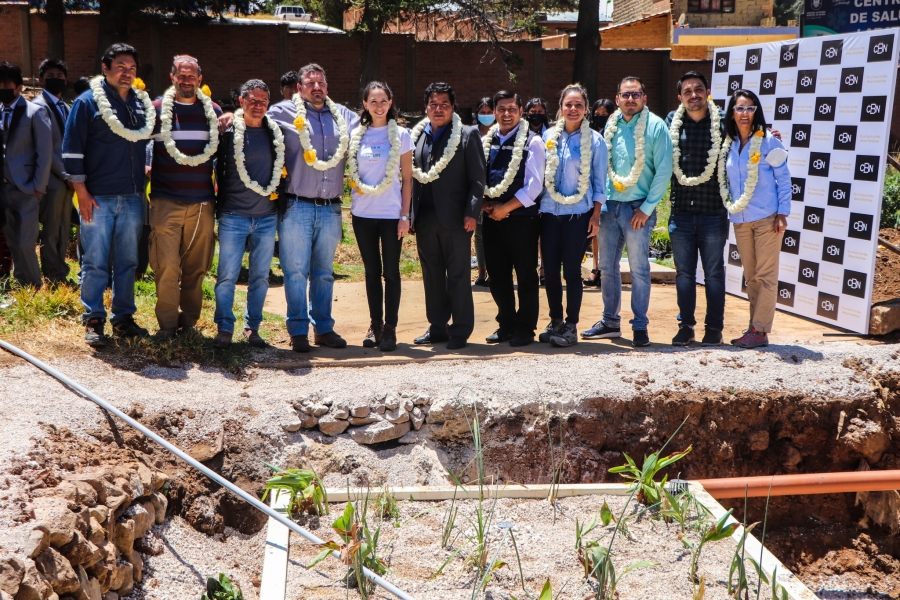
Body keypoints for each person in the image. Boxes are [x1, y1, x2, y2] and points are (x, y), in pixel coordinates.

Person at [64, 43, 152, 346]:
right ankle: (94, 318)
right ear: (105, 68)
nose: (126, 73)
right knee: (95, 260)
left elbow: (149, 140)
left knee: (128, 261)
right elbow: (72, 150)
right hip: (97, 197)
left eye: (132, 68)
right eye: (120, 66)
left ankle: (123, 317)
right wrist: (82, 193)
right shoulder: (87, 103)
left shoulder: (141, 104)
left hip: (131, 195)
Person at [267, 63, 359, 352]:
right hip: (297, 206)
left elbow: (374, 123)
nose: (316, 87)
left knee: (323, 272)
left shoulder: (344, 117)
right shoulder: (283, 113)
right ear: (300, 87)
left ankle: (323, 329)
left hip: (331, 208)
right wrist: (229, 115)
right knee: (295, 272)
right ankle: (297, 331)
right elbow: (252, 120)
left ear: (327, 87)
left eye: (321, 82)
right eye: (310, 83)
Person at [581, 76, 673, 348]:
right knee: (607, 268)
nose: (630, 99)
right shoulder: (612, 123)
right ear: (617, 98)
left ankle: (640, 326)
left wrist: (646, 210)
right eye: (625, 95)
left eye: (636, 94)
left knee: (639, 270)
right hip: (610, 207)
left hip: (638, 209)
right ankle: (610, 322)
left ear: (644, 98)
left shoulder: (655, 127)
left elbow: (663, 171)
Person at [148, 55, 222, 339]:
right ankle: (167, 326)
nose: (187, 80)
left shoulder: (211, 111)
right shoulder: (157, 111)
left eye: (192, 75)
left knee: (196, 267)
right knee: (166, 266)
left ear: (199, 79)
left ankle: (189, 324)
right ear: (172, 77)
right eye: (182, 75)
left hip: (202, 202)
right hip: (166, 201)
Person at [410, 82, 486, 350]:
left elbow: (478, 180)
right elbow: (412, 179)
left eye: (444, 104)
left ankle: (461, 330)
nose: (438, 109)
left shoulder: (467, 135)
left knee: (458, 275)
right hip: (425, 219)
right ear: (426, 107)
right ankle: (437, 327)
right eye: (433, 104)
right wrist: (410, 216)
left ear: (453, 108)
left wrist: (472, 213)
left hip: (456, 219)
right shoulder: (417, 135)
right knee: (431, 275)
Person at [213, 79, 285, 348]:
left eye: (263, 101)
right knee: (227, 276)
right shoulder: (229, 130)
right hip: (233, 216)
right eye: (252, 100)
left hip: (266, 217)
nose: (258, 105)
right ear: (241, 102)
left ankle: (252, 328)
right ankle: (224, 327)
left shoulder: (273, 132)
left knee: (260, 277)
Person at [721, 89, 791, 349]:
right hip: (740, 219)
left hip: (766, 218)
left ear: (756, 111)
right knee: (751, 277)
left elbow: (783, 177)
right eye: (740, 108)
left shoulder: (769, 140)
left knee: (766, 275)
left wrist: (783, 213)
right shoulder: (728, 144)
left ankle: (760, 330)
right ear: (732, 112)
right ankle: (755, 328)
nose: (745, 113)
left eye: (750, 108)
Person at [538, 84, 606, 348]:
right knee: (550, 271)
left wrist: (596, 215)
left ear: (586, 109)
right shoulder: (548, 137)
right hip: (548, 213)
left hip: (578, 215)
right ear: (561, 107)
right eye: (569, 104)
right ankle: (555, 321)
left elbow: (600, 183)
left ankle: (572, 325)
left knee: (572, 272)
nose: (573, 109)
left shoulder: (595, 141)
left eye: (578, 105)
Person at [348, 81, 413, 352]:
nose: (378, 106)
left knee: (392, 273)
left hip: (390, 214)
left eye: (382, 101)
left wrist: (404, 216)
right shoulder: (356, 134)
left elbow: (408, 179)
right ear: (364, 104)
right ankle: (375, 325)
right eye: (372, 101)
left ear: (390, 102)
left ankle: (390, 329)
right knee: (371, 272)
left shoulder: (401, 135)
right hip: (362, 214)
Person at [665, 71, 728, 347]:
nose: (694, 95)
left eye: (698, 89)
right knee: (684, 274)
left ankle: (714, 328)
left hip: (713, 211)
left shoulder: (723, 121)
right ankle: (686, 326)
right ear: (680, 97)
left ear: (707, 92)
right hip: (681, 213)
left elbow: (751, 136)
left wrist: (769, 134)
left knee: (714, 274)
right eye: (688, 91)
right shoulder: (671, 122)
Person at [481, 90, 545, 346]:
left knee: (526, 274)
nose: (506, 114)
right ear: (494, 112)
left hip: (522, 219)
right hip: (492, 218)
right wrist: (486, 205)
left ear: (521, 111)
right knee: (497, 275)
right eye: (501, 109)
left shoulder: (533, 141)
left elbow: (534, 185)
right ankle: (505, 324)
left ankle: (525, 328)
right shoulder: (486, 140)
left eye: (511, 109)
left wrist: (506, 208)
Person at [0, 62, 53, 289]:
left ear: (19, 87)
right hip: (3, 189)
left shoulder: (35, 112)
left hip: (27, 188)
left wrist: (38, 187)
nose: (2, 89)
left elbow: (45, 152)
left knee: (25, 242)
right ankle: (22, 285)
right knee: (12, 241)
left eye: (7, 85)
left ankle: (33, 285)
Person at [33, 58, 73, 285]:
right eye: (50, 75)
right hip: (53, 178)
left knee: (63, 228)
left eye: (60, 75)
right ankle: (51, 274)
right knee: (51, 230)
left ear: (66, 78)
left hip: (69, 180)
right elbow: (46, 148)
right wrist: (67, 176)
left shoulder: (65, 107)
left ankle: (61, 271)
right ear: (40, 79)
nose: (56, 79)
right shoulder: (38, 106)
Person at [583, 97, 616, 288]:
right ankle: (596, 268)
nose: (601, 118)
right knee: (596, 232)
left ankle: (607, 270)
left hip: (614, 188)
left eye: (605, 115)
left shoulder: (615, 133)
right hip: (595, 189)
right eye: (597, 115)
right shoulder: (591, 136)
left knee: (608, 232)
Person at [473, 96, 494, 287]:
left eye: (489, 112)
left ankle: (495, 272)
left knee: (494, 233)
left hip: (495, 188)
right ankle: (481, 272)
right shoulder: (471, 133)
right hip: (475, 189)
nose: (486, 116)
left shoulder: (500, 133)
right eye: (483, 113)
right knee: (479, 234)